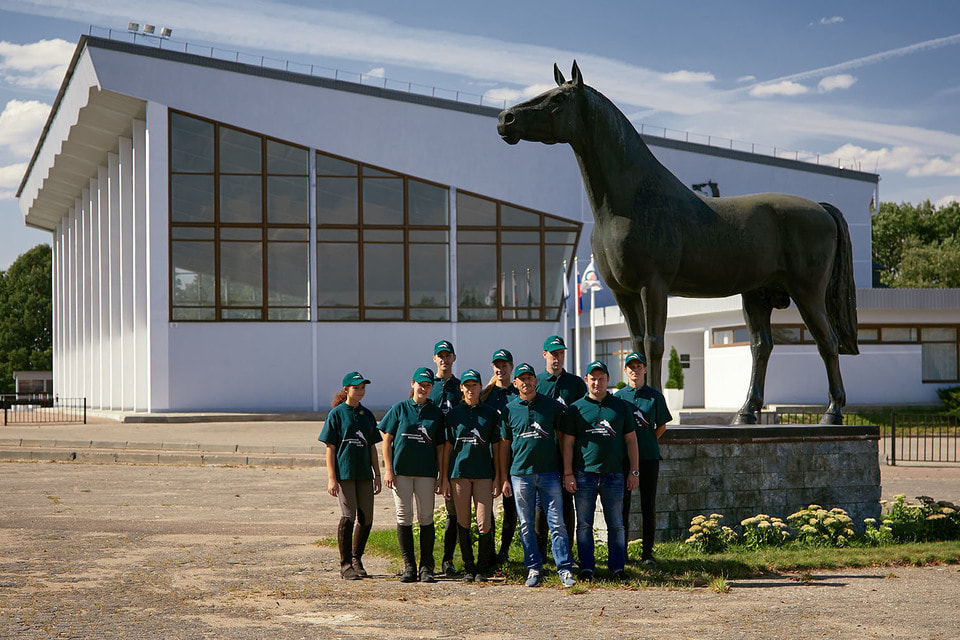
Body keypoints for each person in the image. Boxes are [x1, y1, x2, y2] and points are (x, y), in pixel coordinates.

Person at [499, 363, 576, 588]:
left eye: (530, 378)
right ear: (515, 384)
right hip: (520, 475)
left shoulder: (551, 406)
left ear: (536, 381)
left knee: (557, 522)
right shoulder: (510, 409)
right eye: (521, 379)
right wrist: (503, 477)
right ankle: (533, 567)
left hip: (549, 473)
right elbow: (504, 446)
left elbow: (563, 439)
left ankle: (564, 568)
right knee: (525, 523)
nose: (526, 382)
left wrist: (566, 470)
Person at [560, 361, 639, 582]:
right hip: (583, 474)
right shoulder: (576, 408)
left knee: (616, 523)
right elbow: (568, 443)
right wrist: (568, 473)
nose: (597, 382)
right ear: (586, 380)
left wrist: (634, 471)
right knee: (584, 524)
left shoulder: (621, 406)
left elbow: (631, 440)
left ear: (607, 380)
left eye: (601, 378)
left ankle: (617, 568)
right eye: (592, 378)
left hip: (614, 474)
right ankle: (587, 569)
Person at [380, 367, 446, 583]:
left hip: (426, 473)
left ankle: (426, 566)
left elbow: (440, 447)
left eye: (428, 385)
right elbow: (387, 441)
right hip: (402, 472)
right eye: (420, 384)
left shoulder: (435, 413)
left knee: (426, 517)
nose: (424, 388)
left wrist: (441, 475)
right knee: (404, 516)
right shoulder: (400, 408)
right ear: (412, 384)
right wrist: (388, 469)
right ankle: (409, 565)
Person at [319, 371, 382, 580]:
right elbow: (330, 448)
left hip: (364, 473)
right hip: (345, 474)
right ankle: (345, 564)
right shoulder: (336, 414)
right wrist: (332, 478)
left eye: (363, 387)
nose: (360, 391)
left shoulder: (367, 415)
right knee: (348, 516)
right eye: (356, 388)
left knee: (367, 517)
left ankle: (357, 558)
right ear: (347, 389)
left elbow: (372, 446)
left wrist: (377, 474)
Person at [440, 369, 502, 582]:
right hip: (460, 474)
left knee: (484, 521)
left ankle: (482, 568)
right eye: (466, 385)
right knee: (463, 520)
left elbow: (496, 447)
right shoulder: (454, 414)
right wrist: (445, 479)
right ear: (461, 388)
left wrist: (498, 477)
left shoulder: (490, 413)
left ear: (480, 387)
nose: (470, 389)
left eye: (474, 385)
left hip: (484, 474)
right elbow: (447, 448)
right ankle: (468, 567)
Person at [615, 351, 671, 565]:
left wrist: (645, 441)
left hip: (649, 457)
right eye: (631, 367)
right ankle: (623, 554)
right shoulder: (619, 397)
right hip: (624, 460)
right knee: (623, 507)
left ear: (645, 369)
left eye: (639, 367)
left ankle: (647, 553)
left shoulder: (655, 396)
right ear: (625, 370)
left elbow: (662, 426)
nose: (635, 370)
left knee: (648, 505)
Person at [535, 334, 585, 551]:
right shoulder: (536, 382)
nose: (557, 358)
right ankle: (540, 553)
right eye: (553, 353)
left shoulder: (575, 383)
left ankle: (567, 550)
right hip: (543, 453)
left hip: (569, 453)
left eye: (561, 353)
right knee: (540, 505)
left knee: (566, 503)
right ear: (544, 355)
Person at [480, 348, 519, 566]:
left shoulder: (517, 393)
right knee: (487, 506)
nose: (501, 369)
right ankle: (489, 550)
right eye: (497, 365)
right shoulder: (486, 394)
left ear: (511, 367)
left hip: (512, 459)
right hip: (486, 457)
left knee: (510, 506)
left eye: (505, 365)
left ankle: (504, 551)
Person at [428, 339, 463, 576]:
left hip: (452, 455)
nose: (444, 359)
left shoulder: (460, 387)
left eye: (448, 355)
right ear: (434, 359)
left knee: (453, 509)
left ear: (453, 358)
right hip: (427, 455)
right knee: (424, 510)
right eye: (440, 355)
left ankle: (447, 559)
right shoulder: (427, 385)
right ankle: (424, 561)